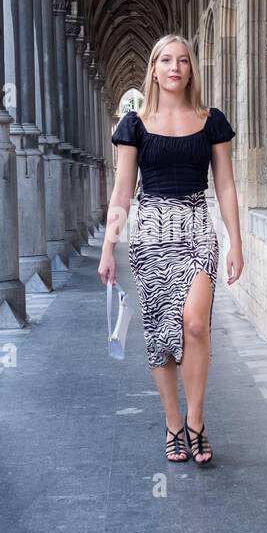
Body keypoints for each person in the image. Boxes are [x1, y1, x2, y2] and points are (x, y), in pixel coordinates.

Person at [98, 34, 244, 466]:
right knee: (162, 335)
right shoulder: (135, 125)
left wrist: (236, 241)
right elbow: (123, 190)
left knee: (196, 324)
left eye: (182, 60)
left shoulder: (211, 120)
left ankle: (196, 421)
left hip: (197, 228)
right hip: (151, 235)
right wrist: (109, 248)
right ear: (154, 70)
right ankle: (172, 424)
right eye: (166, 60)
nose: (175, 67)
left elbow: (225, 183)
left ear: (191, 69)